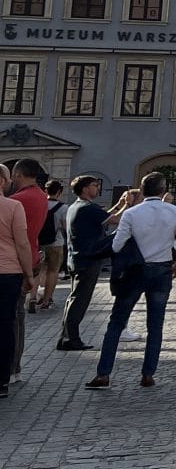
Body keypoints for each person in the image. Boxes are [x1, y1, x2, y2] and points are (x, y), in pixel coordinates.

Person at [88, 172, 176, 389]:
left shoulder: (132, 213)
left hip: (134, 271)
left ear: (142, 189)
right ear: (163, 191)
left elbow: (116, 245)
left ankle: (104, 373)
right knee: (155, 325)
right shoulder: (175, 212)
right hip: (162, 269)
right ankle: (148, 374)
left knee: (116, 323)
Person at [58, 176, 114, 352]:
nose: (98, 188)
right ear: (84, 189)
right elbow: (113, 219)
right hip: (88, 259)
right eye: (94, 185)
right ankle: (71, 339)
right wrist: (128, 206)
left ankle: (66, 337)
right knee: (79, 301)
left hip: (77, 258)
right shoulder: (88, 208)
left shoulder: (77, 206)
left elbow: (104, 217)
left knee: (73, 299)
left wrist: (121, 204)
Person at [6, 158, 47, 382]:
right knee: (17, 316)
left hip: (17, 261)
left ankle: (10, 367)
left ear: (18, 175)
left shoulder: (17, 201)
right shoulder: (41, 195)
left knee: (11, 317)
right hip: (31, 255)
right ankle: (16, 367)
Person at [0, 175, 29, 399]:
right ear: (2, 181)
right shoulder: (13, 206)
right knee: (5, 326)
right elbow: (22, 242)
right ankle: (2, 379)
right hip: (8, 272)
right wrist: (28, 274)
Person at [33, 178, 65, 311]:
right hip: (56, 243)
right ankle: (46, 300)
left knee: (37, 271)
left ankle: (33, 298)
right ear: (59, 192)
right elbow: (65, 226)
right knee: (53, 271)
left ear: (45, 190)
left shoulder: (39, 204)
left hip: (38, 242)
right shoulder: (63, 208)